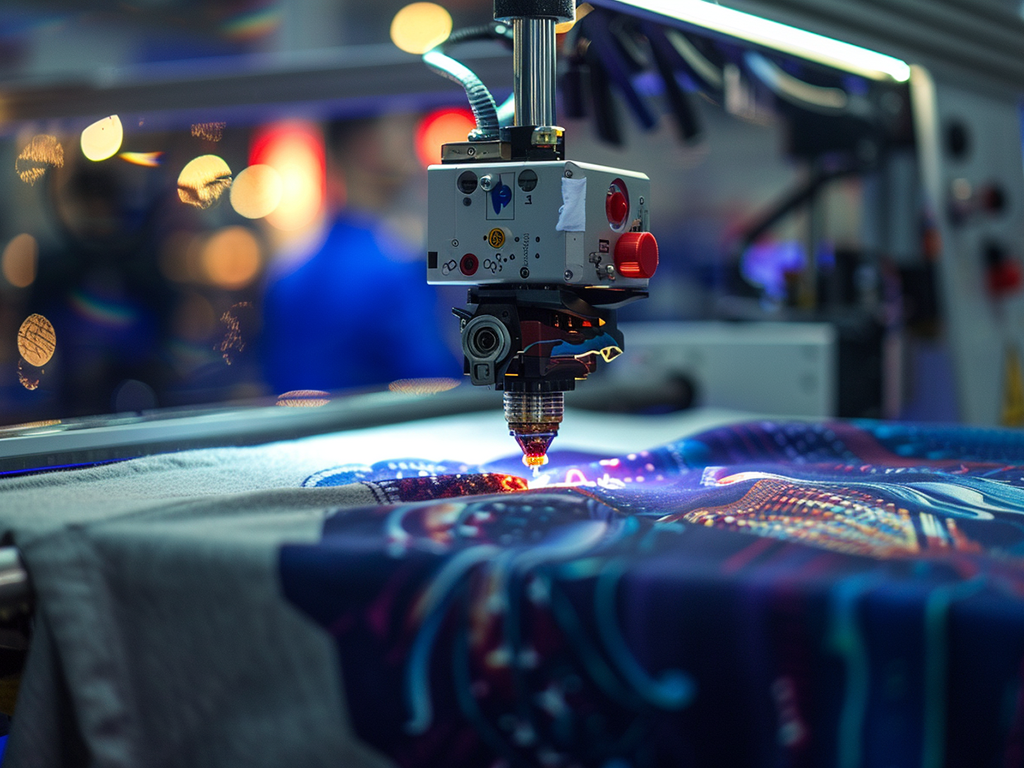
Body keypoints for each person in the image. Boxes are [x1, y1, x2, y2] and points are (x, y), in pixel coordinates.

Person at [261, 114, 460, 393]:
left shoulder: (288, 275)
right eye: (402, 125)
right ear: (367, 144)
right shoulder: (394, 269)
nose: (411, 143)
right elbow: (436, 383)